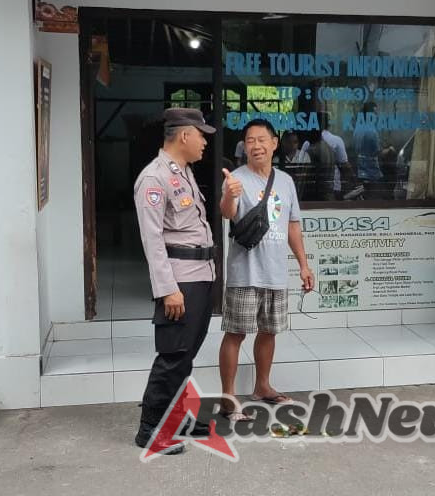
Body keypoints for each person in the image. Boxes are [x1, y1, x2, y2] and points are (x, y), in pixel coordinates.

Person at [132, 107, 217, 455]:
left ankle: (177, 417)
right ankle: (151, 429)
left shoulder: (183, 172)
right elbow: (152, 240)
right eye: (201, 136)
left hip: (200, 276)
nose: (205, 143)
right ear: (184, 135)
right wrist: (168, 289)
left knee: (185, 355)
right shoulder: (154, 179)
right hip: (179, 283)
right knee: (173, 355)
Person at [218, 118, 314, 419]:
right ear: (244, 146)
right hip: (244, 272)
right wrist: (229, 194)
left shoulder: (285, 181)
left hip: (275, 272)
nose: (256, 146)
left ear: (274, 143)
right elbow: (227, 214)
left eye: (261, 140)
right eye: (250, 141)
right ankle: (228, 398)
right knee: (235, 333)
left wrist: (303, 264)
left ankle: (262, 386)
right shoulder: (236, 179)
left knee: (269, 331)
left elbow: (293, 226)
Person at [300, 112, 355, 199]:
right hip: (333, 188)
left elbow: (301, 167)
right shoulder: (336, 141)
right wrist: (354, 181)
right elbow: (345, 166)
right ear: (329, 124)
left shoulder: (308, 144)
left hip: (314, 191)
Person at [353, 102, 383, 199]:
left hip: (360, 169)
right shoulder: (372, 131)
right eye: (375, 112)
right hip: (371, 171)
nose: (376, 115)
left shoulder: (357, 129)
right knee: (373, 199)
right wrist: (389, 150)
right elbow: (377, 151)